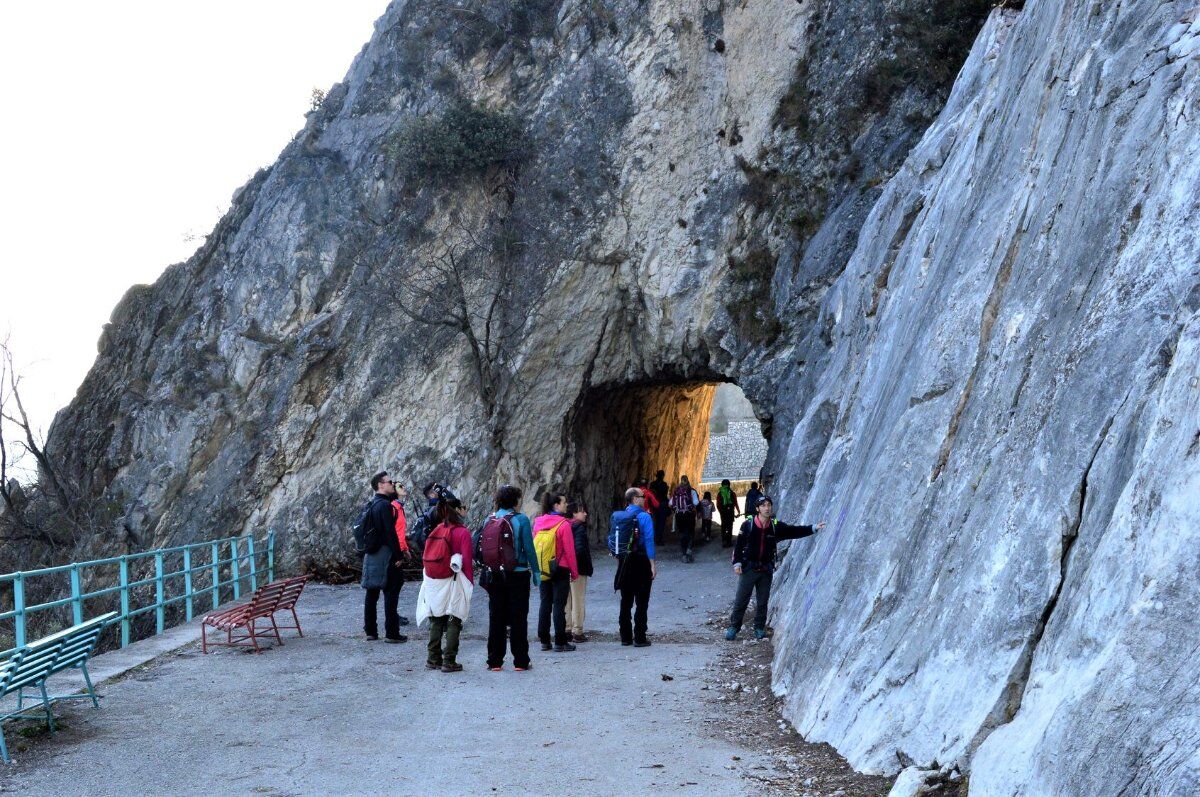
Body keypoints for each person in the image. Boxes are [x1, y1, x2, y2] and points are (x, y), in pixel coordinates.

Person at [725, 495, 824, 641]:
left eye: (769, 505)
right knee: (741, 599)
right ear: (757, 509)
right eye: (763, 505)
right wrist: (737, 563)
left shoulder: (775, 526)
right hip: (749, 568)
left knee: (763, 601)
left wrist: (813, 528)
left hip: (766, 569)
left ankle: (759, 628)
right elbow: (739, 546)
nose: (767, 508)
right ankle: (734, 627)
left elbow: (793, 531)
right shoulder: (748, 525)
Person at [481, 485, 539, 672]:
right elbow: (529, 549)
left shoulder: (489, 519)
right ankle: (521, 661)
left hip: (494, 574)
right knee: (518, 617)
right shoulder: (521, 519)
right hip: (518, 574)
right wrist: (536, 572)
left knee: (496, 617)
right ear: (516, 500)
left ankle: (494, 661)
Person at [416, 499, 474, 672]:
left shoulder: (438, 529)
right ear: (456, 510)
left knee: (436, 618)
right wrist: (470, 584)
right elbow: (467, 561)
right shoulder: (462, 532)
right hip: (454, 579)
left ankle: (433, 658)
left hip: (433, 580)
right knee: (454, 618)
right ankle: (449, 660)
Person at [361, 471, 409, 643]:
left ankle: (371, 631)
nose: (392, 484)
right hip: (386, 555)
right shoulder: (385, 506)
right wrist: (398, 555)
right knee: (391, 592)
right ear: (380, 485)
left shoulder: (372, 504)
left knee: (372, 592)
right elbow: (390, 533)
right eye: (390, 482)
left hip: (371, 554)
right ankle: (392, 633)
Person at [610, 487, 657, 647]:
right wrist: (652, 564)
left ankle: (625, 637)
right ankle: (640, 637)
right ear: (635, 499)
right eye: (642, 496)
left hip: (625, 562)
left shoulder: (619, 517)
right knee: (642, 602)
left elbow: (612, 539)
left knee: (626, 601)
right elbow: (649, 540)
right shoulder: (644, 516)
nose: (645, 498)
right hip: (641, 561)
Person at [534, 492, 579, 652]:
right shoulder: (564, 525)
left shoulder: (538, 522)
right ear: (556, 505)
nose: (566, 505)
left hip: (544, 567)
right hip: (560, 568)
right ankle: (560, 641)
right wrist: (574, 572)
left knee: (545, 603)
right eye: (564, 502)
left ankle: (544, 641)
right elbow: (570, 551)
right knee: (559, 605)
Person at [564, 500, 592, 643]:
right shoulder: (578, 528)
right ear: (574, 513)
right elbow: (579, 550)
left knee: (566, 600)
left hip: (563, 568)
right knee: (578, 599)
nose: (585, 513)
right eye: (582, 511)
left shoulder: (563, 526)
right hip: (578, 569)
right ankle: (578, 631)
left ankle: (567, 629)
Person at [670, 475, 700, 563]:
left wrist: (675, 510)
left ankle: (683, 554)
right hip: (689, 515)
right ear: (688, 481)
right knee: (691, 532)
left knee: (682, 533)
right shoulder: (692, 491)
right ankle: (689, 549)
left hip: (679, 515)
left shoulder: (676, 491)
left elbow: (670, 503)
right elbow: (696, 502)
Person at [647, 470, 671, 541]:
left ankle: (654, 536)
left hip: (654, 504)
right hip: (662, 504)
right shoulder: (664, 484)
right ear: (663, 476)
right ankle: (659, 538)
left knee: (655, 521)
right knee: (661, 522)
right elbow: (665, 495)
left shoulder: (652, 484)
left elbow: (650, 494)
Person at [716, 479, 740, 547]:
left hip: (723, 513)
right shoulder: (732, 493)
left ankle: (724, 541)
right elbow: (735, 503)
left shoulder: (720, 493)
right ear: (729, 484)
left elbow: (718, 504)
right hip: (730, 512)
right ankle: (729, 541)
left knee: (723, 526)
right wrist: (738, 511)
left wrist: (720, 511)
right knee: (730, 526)